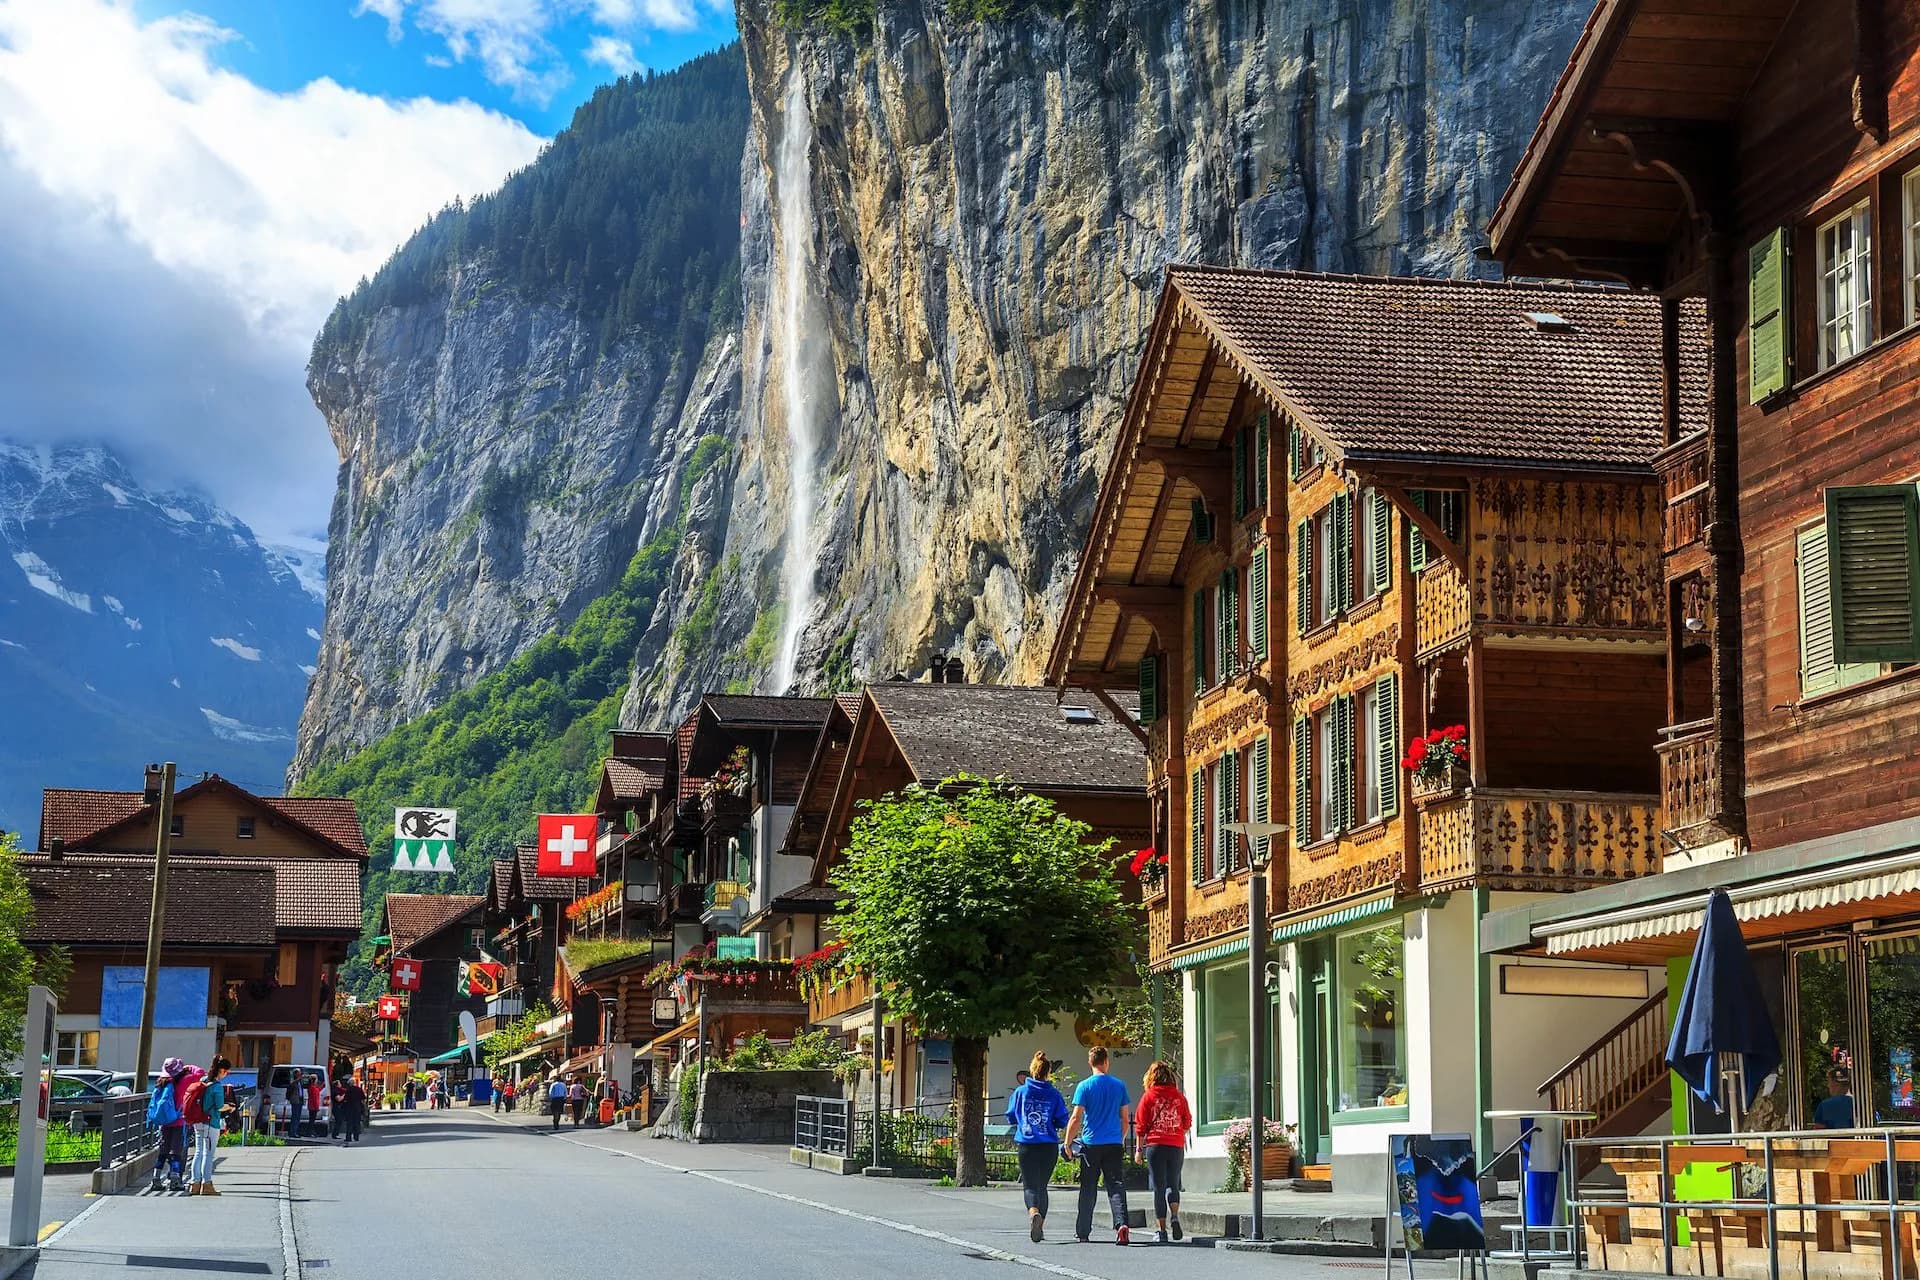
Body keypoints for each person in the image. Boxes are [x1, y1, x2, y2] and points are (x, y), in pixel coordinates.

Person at [1063, 1046, 1132, 1246]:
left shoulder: (1084, 1086)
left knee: (1088, 1188)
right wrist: (1120, 1138)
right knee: (1116, 1186)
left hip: (1091, 1144)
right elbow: (1125, 1119)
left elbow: (1076, 1117)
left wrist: (1068, 1142)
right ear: (1106, 1061)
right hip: (1112, 1143)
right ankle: (1121, 1225)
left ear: (1090, 1062)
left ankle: (1083, 1231)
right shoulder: (1119, 1085)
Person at [1006, 1051, 1071, 1243]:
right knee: (1042, 1186)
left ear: (1032, 1070)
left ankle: (1033, 1212)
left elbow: (1010, 1115)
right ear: (1048, 1072)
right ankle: (1040, 1226)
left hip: (1027, 1144)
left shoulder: (1020, 1092)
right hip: (1048, 1145)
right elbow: (1061, 1119)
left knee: (1029, 1185)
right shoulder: (1054, 1093)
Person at [1134, 1060, 1193, 1243]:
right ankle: (1174, 1216)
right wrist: (1176, 1133)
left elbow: (1141, 1126)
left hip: (1155, 1146)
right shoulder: (1178, 1096)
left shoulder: (1148, 1097)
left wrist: (1138, 1150)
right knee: (1173, 1184)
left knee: (1158, 1188)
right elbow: (1187, 1121)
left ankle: (1162, 1230)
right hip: (1175, 1145)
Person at [147, 1058, 196, 1192]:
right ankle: (175, 1180)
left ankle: (156, 1179)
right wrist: (188, 1067)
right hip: (178, 1121)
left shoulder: (161, 1082)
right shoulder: (183, 1082)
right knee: (176, 1152)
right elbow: (200, 1072)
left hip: (163, 1123)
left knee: (162, 1152)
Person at [184, 1056, 230, 1196]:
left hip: (198, 1121)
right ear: (221, 1070)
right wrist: (229, 1107)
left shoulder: (202, 1081)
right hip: (211, 1123)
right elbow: (219, 1106)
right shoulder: (217, 1087)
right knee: (208, 1154)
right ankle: (207, 1184)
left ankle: (195, 1183)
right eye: (227, 1072)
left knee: (198, 1152)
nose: (226, 1074)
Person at [337, 1076, 367, 1145]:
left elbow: (345, 1099)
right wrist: (363, 1108)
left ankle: (348, 1137)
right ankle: (356, 1137)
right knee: (357, 1123)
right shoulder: (359, 1089)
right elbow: (363, 1099)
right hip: (357, 1108)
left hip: (350, 1109)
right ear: (354, 1083)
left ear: (349, 1084)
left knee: (349, 1123)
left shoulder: (348, 1090)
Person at [286, 1070, 305, 1138]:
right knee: (295, 1116)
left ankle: (296, 1131)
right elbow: (290, 1087)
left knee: (298, 1117)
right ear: (296, 1074)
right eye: (299, 1074)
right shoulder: (293, 1082)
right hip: (295, 1101)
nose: (300, 1075)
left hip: (300, 1100)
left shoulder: (300, 1082)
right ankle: (292, 1132)